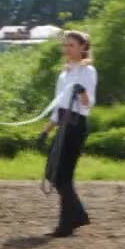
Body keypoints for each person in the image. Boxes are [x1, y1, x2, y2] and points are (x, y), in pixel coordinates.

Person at [38, 30, 97, 237]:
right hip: (64, 125)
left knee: (63, 175)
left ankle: (69, 222)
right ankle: (74, 218)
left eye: (71, 45)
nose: (67, 49)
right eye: (66, 45)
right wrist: (46, 130)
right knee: (53, 172)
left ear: (82, 48)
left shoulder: (87, 72)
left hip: (76, 126)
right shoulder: (64, 74)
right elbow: (58, 108)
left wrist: (82, 92)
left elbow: (88, 105)